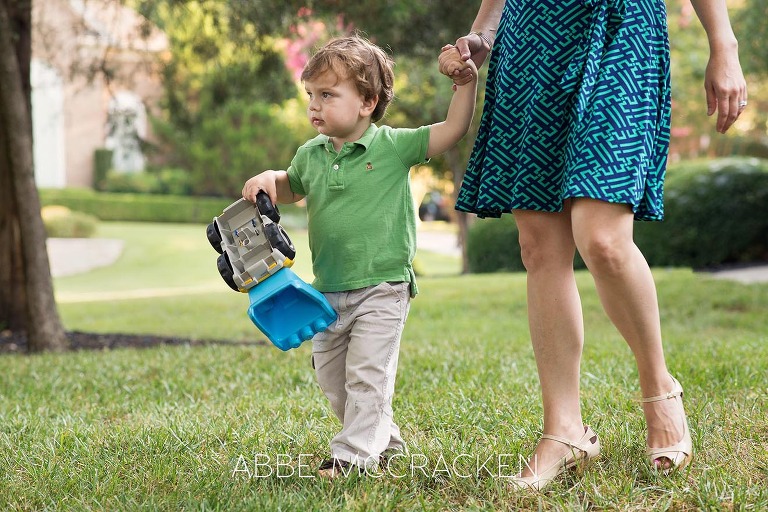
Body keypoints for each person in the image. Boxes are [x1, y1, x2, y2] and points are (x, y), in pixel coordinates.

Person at [439, 0, 746, 491]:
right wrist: (482, 34)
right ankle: (564, 432)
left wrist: (723, 45)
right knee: (539, 247)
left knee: (602, 239)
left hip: (621, 32)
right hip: (532, 39)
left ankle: (659, 388)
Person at [243, 35, 478, 478]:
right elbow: (290, 186)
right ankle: (386, 444)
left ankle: (350, 457)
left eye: (328, 95)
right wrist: (268, 180)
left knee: (367, 374)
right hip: (327, 293)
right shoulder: (310, 155)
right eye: (311, 94)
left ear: (368, 101)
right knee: (334, 382)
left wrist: (465, 82)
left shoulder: (392, 146)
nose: (315, 105)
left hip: (383, 286)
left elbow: (452, 130)